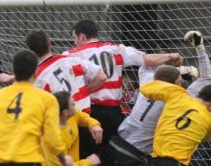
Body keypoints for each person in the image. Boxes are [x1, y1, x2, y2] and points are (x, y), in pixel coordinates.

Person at [79, 31, 211, 166]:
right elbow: (207, 77)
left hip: (115, 142)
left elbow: (146, 64)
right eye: (180, 79)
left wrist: (178, 67)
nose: (183, 82)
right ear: (177, 81)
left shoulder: (147, 80)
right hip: (133, 157)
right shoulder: (179, 98)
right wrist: (200, 49)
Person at [66, 19, 184, 154]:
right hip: (112, 111)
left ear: (81, 37)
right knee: (114, 151)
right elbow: (146, 60)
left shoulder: (72, 55)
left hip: (89, 110)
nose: (74, 42)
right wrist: (170, 55)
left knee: (88, 152)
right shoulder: (115, 49)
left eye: (74, 37)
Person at [0, 30, 107, 114]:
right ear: (49, 44)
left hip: (63, 122)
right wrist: (84, 92)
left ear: (31, 51)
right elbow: (102, 77)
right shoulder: (72, 59)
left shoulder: (38, 76)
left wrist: (10, 78)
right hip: (85, 119)